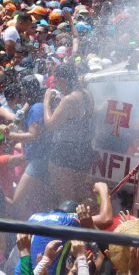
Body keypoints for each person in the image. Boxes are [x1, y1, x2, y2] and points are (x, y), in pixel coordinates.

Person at [43, 63, 94, 206]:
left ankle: (68, 226)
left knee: (67, 200)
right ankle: (86, 225)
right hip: (84, 150)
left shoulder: (69, 100)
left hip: (65, 153)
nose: (55, 85)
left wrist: (46, 102)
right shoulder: (87, 94)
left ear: (64, 81)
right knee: (80, 196)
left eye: (56, 81)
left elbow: (51, 125)